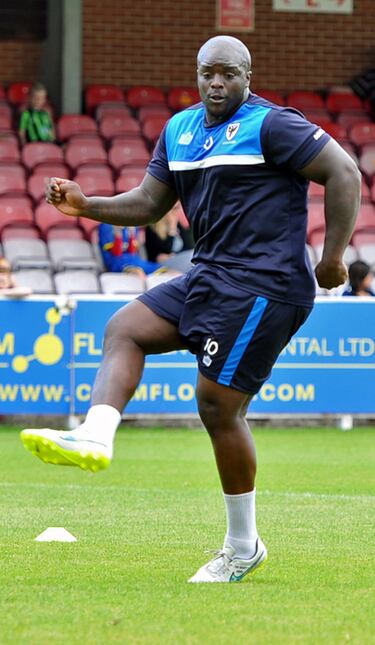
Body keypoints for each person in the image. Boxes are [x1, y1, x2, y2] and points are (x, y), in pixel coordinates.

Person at [21, 36, 361, 583]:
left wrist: (333, 259)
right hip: (208, 275)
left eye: (228, 74)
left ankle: (242, 546)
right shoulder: (179, 130)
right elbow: (149, 203)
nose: (216, 83)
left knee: (216, 406)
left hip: (267, 285)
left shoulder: (272, 124)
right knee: (124, 329)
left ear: (248, 76)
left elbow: (345, 173)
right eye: (208, 73)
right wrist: (87, 206)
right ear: (197, 74)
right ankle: (96, 433)